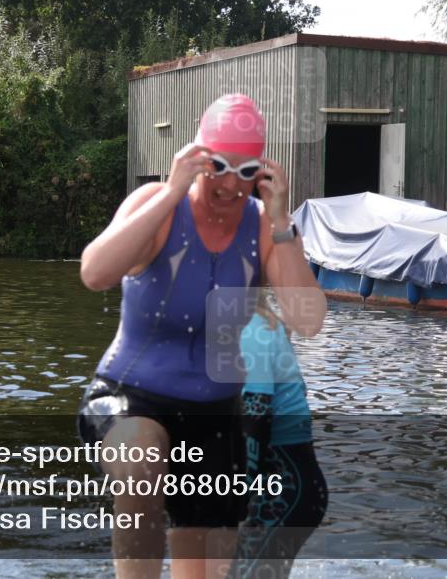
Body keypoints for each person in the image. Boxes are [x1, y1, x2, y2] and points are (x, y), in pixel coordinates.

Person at [78, 93, 326, 579]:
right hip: (128, 399)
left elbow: (308, 321)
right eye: (217, 166)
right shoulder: (158, 205)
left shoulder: (261, 227)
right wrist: (171, 193)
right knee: (140, 459)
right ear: (197, 154)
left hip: (214, 418)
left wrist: (281, 223)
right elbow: (94, 273)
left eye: (246, 170)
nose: (230, 184)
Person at [229, 292, 327, 579]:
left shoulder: (249, 332)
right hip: (284, 487)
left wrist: (231, 504)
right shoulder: (251, 327)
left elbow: (254, 425)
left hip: (284, 492)